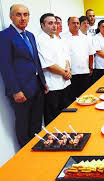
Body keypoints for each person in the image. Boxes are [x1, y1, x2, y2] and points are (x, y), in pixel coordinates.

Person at [0, 4, 48, 147]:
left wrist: (43, 82)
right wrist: (15, 90)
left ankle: (37, 150)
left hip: (37, 87)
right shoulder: (4, 36)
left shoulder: (30, 35)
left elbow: (36, 61)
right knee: (23, 125)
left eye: (25, 14)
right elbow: (5, 66)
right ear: (11, 17)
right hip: (21, 90)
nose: (23, 18)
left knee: (36, 123)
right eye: (18, 14)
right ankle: (26, 157)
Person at [37, 13, 72, 126]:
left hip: (65, 83)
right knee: (53, 118)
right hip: (52, 86)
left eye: (55, 23)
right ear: (43, 25)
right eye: (50, 23)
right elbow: (49, 65)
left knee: (66, 114)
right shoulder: (41, 40)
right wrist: (65, 73)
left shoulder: (58, 38)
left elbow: (66, 58)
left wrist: (68, 70)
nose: (54, 26)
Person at [61, 17, 95, 101]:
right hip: (71, 73)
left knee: (85, 96)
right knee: (72, 98)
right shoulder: (62, 37)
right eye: (73, 23)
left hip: (84, 72)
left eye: (77, 23)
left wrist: (90, 67)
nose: (76, 25)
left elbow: (91, 54)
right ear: (68, 24)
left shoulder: (85, 37)